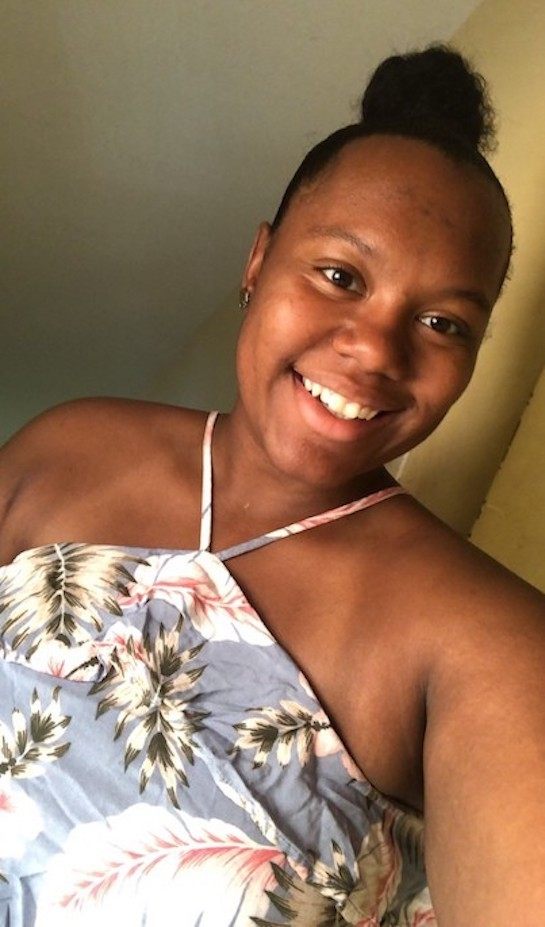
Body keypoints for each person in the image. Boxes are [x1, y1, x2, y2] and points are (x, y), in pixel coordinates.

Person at [0, 44, 543, 926]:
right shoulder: (66, 447)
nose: (374, 349)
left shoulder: (489, 645)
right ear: (257, 261)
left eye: (443, 322)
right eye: (340, 276)